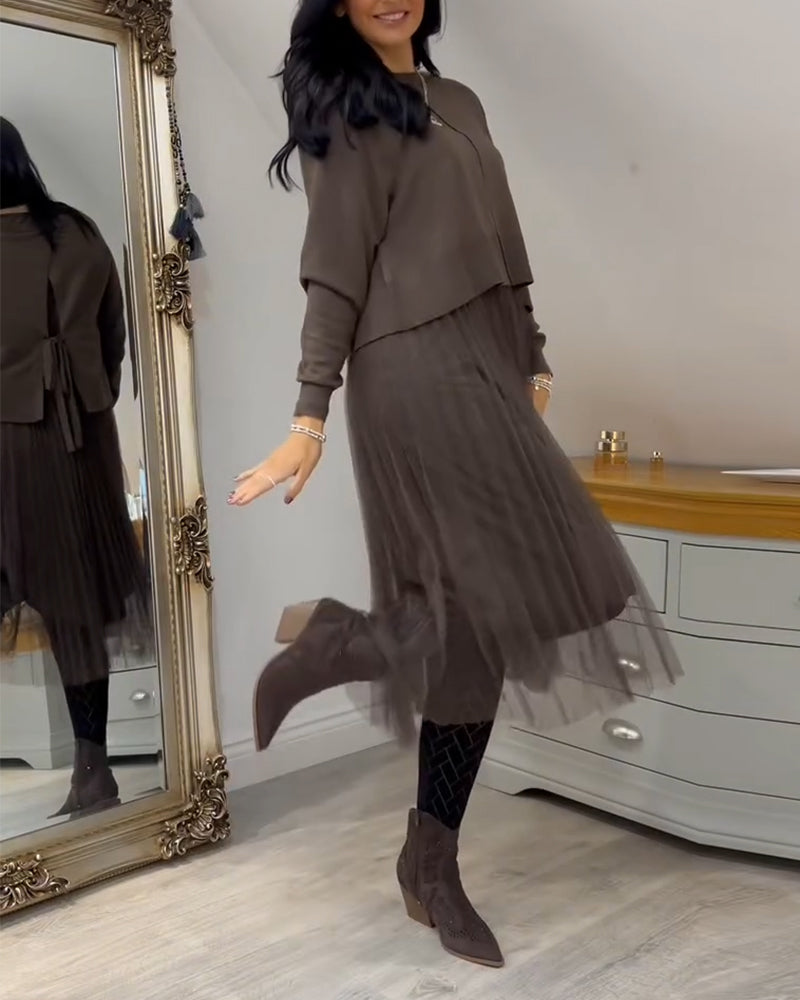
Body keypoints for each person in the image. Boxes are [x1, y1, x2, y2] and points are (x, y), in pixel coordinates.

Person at [230, 0, 682, 969]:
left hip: (487, 363)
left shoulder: (460, 100)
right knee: (473, 613)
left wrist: (530, 349)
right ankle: (431, 862)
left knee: (537, 599)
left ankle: (415, 833)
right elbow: (334, 271)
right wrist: (307, 416)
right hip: (407, 370)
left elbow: (505, 245)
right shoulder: (346, 111)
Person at [0, 117, 151, 819]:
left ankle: (93, 775)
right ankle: (94, 771)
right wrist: (87, 398)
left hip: (14, 441)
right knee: (75, 606)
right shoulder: (80, 233)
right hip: (83, 440)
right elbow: (114, 340)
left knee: (57, 597)